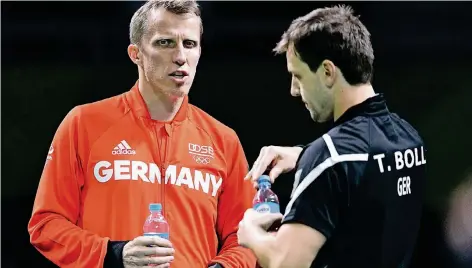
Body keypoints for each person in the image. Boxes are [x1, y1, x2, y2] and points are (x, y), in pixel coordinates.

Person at [27, 1, 257, 268]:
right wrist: (113, 254)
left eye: (190, 44)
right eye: (165, 43)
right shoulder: (83, 124)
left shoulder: (223, 140)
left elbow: (247, 237)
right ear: (136, 53)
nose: (180, 56)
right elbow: (46, 224)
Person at [237, 5, 426, 268]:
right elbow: (364, 176)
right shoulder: (409, 138)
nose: (293, 90)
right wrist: (304, 154)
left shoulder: (329, 158)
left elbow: (286, 263)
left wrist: (251, 235)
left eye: (298, 76)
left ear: (327, 72)